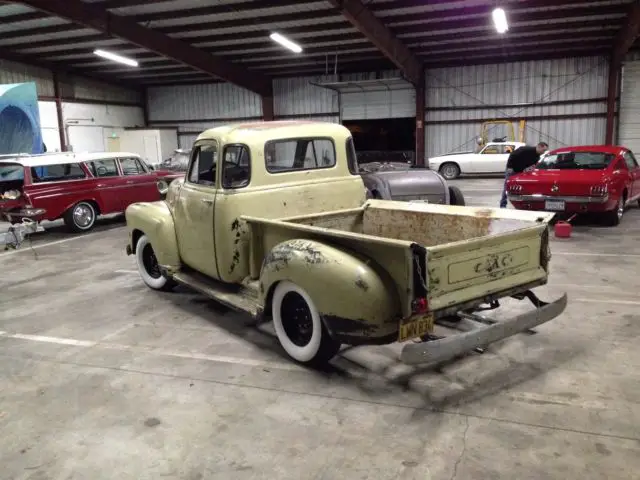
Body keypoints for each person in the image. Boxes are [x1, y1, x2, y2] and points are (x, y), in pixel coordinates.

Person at [500, 141, 548, 208]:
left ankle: (520, 204)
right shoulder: (525, 150)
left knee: (520, 188)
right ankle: (503, 205)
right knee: (507, 187)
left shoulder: (537, 157)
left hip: (520, 172)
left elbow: (532, 165)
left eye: (545, 151)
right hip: (512, 170)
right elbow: (513, 155)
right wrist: (510, 167)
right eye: (543, 150)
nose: (544, 152)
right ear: (539, 147)